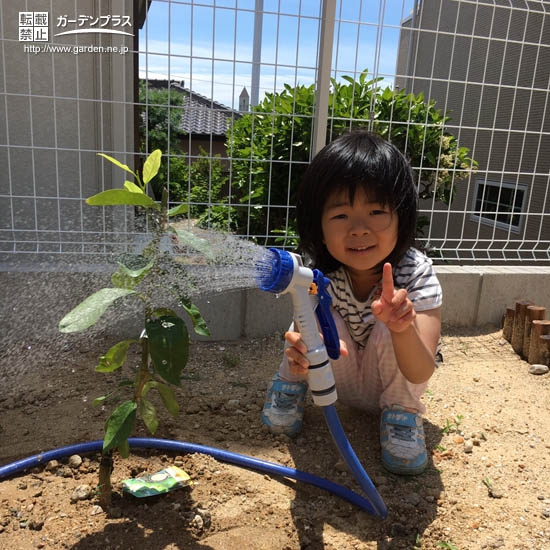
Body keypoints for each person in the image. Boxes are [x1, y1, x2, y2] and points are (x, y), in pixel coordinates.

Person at [261, 131, 442, 476]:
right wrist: (301, 359)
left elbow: (421, 370)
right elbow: (304, 332)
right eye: (341, 216)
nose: (359, 229)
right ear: (319, 225)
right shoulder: (318, 272)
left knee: (398, 321)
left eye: (376, 211)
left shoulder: (416, 273)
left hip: (389, 385)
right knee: (309, 311)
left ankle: (402, 414)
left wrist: (402, 328)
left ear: (401, 215)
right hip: (333, 373)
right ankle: (289, 384)